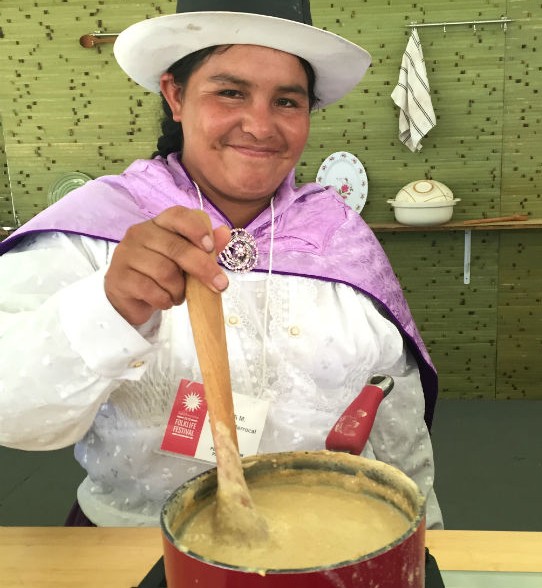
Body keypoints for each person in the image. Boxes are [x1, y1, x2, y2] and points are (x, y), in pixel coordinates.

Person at [0, 0, 442, 530]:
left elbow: (395, 411)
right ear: (175, 95)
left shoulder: (338, 236)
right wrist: (109, 306)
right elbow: (14, 413)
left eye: (286, 101)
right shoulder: (96, 229)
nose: (260, 125)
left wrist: (419, 534)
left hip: (322, 546)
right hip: (136, 546)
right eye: (230, 92)